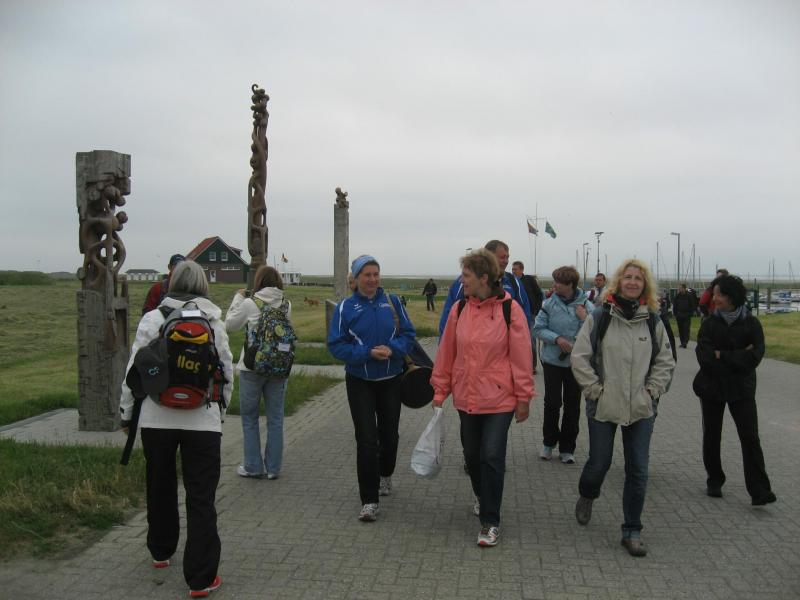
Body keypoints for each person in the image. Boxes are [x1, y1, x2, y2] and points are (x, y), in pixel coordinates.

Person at [120, 260, 233, 596]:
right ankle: (201, 578)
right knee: (201, 497)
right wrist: (220, 411)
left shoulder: (153, 319)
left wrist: (127, 414)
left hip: (156, 419)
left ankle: (161, 550)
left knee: (160, 485)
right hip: (203, 420)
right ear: (204, 286)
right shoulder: (213, 321)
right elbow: (226, 370)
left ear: (170, 284)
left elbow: (134, 370)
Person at [570, 259, 675, 557]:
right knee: (599, 463)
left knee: (638, 470)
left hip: (641, 407)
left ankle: (632, 530)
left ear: (645, 285)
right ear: (618, 282)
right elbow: (580, 357)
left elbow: (665, 361)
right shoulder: (600, 317)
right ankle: (588, 493)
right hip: (604, 403)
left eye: (638, 278)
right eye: (627, 277)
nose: (632, 282)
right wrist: (594, 391)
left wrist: (652, 392)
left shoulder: (653, 320)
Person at [432, 249, 533, 547]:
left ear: (484, 278)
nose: (461, 281)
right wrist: (440, 389)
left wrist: (524, 397)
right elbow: (446, 352)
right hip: (467, 397)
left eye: (466, 276)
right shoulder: (459, 309)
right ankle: (481, 494)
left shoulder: (509, 309)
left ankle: (491, 521)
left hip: (500, 398)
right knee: (472, 456)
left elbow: (522, 357)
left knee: (491, 455)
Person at [327, 255, 416, 521]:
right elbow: (336, 345)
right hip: (359, 381)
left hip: (391, 379)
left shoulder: (393, 302)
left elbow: (408, 335)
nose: (373, 279)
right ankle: (369, 500)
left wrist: (392, 349)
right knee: (366, 440)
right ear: (356, 278)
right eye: (367, 275)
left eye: (376, 274)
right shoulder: (345, 308)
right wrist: (367, 353)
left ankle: (385, 474)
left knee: (389, 437)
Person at [694, 274, 776, 506]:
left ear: (731, 297)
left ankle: (759, 490)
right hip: (712, 387)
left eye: (718, 295)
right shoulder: (709, 324)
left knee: (750, 437)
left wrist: (722, 355)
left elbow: (755, 357)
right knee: (712, 435)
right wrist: (738, 356)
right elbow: (705, 358)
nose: (714, 299)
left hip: (742, 390)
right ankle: (715, 479)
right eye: (714, 294)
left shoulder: (752, 324)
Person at [225, 265, 292, 479]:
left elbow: (230, 325)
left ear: (258, 282)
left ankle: (253, 466)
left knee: (250, 418)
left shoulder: (250, 303)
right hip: (278, 367)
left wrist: (237, 298)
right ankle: (273, 468)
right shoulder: (286, 305)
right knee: (276, 419)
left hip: (252, 366)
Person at [533, 266, 593, 464]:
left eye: (558, 282)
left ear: (570, 284)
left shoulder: (587, 305)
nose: (555, 285)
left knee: (572, 405)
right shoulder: (548, 304)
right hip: (552, 361)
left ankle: (568, 448)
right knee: (552, 403)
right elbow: (538, 328)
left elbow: (595, 332)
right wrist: (557, 339)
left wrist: (584, 318)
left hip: (576, 363)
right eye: (555, 281)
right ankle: (548, 443)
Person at [438, 240, 531, 335]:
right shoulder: (464, 283)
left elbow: (525, 314)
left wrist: (524, 337)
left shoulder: (513, 282)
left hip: (503, 342)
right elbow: (447, 321)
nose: (506, 261)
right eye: (502, 257)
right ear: (488, 257)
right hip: (469, 341)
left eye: (507, 257)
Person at [511, 260, 544, 373]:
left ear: (521, 270)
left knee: (531, 340)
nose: (513, 271)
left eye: (515, 269)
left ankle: (532, 365)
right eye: (512, 269)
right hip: (516, 315)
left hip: (530, 315)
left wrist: (536, 309)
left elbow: (539, 294)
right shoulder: (512, 281)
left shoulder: (529, 280)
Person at [672, 284, 697, 348]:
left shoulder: (689, 296)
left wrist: (692, 312)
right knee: (681, 329)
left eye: (680, 288)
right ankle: (682, 342)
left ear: (684, 288)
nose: (679, 289)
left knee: (686, 329)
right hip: (679, 315)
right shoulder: (677, 296)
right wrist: (674, 314)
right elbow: (674, 306)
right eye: (679, 288)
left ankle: (685, 342)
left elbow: (692, 305)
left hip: (687, 315)